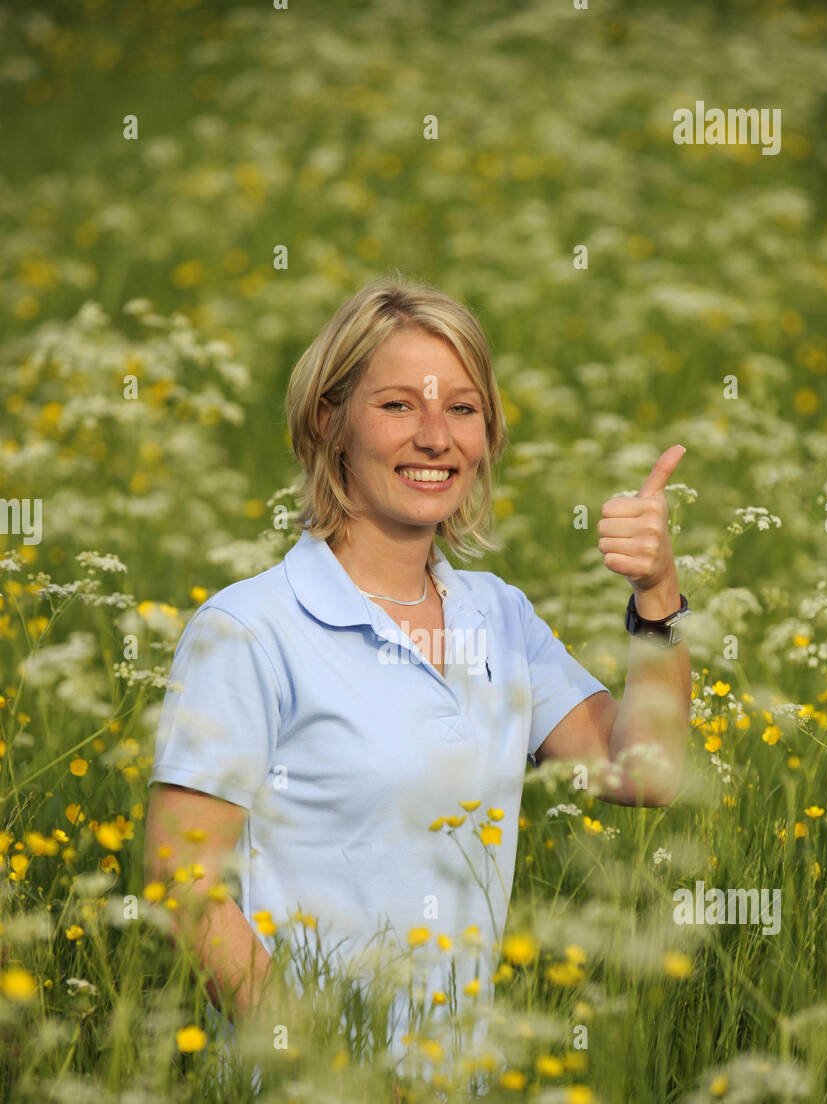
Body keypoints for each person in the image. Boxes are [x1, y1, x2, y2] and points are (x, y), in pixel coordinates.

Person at [143, 273, 692, 1054]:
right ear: (328, 420)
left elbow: (641, 773)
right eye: (398, 404)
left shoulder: (498, 615)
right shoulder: (247, 628)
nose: (435, 437)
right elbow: (182, 888)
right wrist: (338, 1080)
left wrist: (657, 595)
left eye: (461, 408)